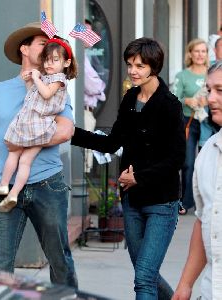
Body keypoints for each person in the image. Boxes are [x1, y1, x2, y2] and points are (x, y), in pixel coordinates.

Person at [0, 22, 78, 288]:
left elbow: (65, 131)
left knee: (59, 260)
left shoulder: (57, 87)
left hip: (47, 184)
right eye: (42, 43)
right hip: (3, 187)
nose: (49, 47)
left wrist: (21, 140)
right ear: (24, 48)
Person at [71, 37, 186, 299]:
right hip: (132, 201)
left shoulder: (170, 105)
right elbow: (112, 143)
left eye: (140, 65)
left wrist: (140, 177)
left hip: (161, 203)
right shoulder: (130, 99)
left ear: (154, 67)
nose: (133, 70)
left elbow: (176, 159)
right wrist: (72, 133)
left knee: (143, 278)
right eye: (130, 64)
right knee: (147, 274)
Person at [0, 37, 78, 213]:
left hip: (39, 124)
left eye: (55, 60)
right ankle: (8, 189)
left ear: (66, 62)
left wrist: (36, 77)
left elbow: (44, 94)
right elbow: (34, 96)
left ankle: (8, 188)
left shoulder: (59, 79)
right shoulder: (47, 79)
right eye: (47, 59)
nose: (49, 64)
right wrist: (31, 82)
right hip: (34, 124)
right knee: (20, 159)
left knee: (17, 154)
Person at [172, 60, 222, 300]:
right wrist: (185, 285)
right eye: (209, 90)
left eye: (220, 91)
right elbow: (203, 222)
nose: (210, 99)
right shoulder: (208, 153)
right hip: (210, 290)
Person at [171, 38, 214, 215]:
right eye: (196, 51)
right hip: (187, 123)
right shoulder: (183, 75)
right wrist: (185, 100)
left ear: (207, 54)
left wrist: (209, 100)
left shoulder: (213, 73)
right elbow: (173, 99)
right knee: (188, 163)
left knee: (209, 163)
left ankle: (208, 201)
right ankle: (185, 201)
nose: (199, 55)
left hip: (208, 124)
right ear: (190, 53)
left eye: (203, 51)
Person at [83, 19, 106, 173]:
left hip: (89, 111)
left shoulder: (87, 56)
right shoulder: (78, 57)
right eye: (86, 31)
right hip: (83, 112)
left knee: (88, 155)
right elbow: (93, 85)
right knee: (85, 157)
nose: (90, 35)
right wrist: (99, 86)